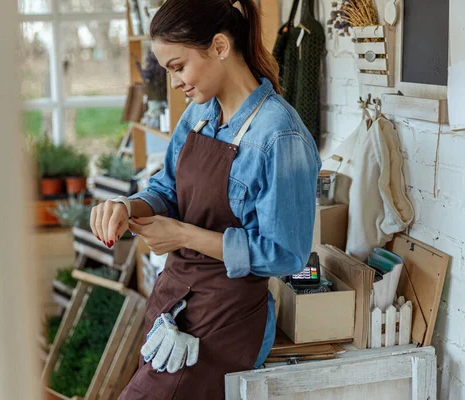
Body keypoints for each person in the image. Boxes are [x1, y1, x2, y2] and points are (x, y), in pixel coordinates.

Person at [90, 0, 321, 397]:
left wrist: (182, 236)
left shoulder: (279, 135)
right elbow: (166, 188)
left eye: (179, 66)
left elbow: (286, 255)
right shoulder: (198, 115)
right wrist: (127, 208)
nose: (175, 81)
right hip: (175, 303)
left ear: (218, 47)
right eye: (168, 71)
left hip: (227, 323)